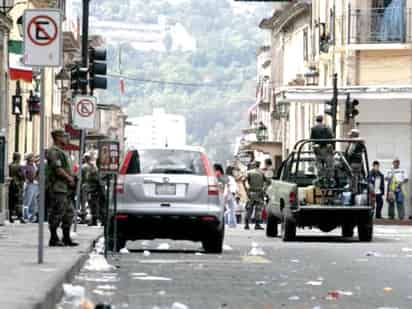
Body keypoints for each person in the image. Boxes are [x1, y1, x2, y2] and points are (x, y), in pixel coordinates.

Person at [47, 129, 77, 246]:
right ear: (58, 137)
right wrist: (69, 178)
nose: (66, 138)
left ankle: (66, 237)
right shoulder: (53, 151)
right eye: (64, 136)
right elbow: (58, 169)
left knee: (69, 213)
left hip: (66, 189)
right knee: (57, 212)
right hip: (58, 187)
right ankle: (54, 238)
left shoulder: (63, 151)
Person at [244, 161, 270, 230]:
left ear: (254, 165)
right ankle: (257, 225)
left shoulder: (249, 172)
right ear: (259, 165)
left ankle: (246, 224)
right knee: (258, 210)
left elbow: (243, 180)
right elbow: (268, 182)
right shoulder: (262, 173)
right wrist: (264, 190)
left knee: (249, 209)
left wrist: (246, 190)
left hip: (251, 192)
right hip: (259, 193)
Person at [310, 114, 334, 187]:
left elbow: (312, 139)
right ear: (322, 120)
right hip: (326, 148)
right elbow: (331, 136)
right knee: (329, 165)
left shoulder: (313, 128)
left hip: (318, 149)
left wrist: (315, 145)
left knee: (319, 164)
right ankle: (329, 179)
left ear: (316, 120)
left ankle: (320, 178)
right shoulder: (327, 127)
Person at [82, 152, 104, 226]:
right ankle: (97, 220)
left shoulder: (93, 169)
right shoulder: (94, 168)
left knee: (93, 205)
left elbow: (95, 180)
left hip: (93, 190)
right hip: (94, 190)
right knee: (94, 205)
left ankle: (96, 220)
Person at [346, 129, 366, 194]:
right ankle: (355, 190)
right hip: (359, 163)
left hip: (354, 163)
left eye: (350, 135)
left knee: (352, 177)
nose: (349, 137)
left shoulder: (354, 142)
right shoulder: (360, 142)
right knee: (356, 177)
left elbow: (349, 153)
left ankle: (353, 192)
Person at [8, 153, 25, 223]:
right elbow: (22, 176)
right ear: (18, 158)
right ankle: (20, 217)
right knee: (19, 201)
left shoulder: (10, 165)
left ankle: (10, 217)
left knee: (11, 201)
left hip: (11, 184)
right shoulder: (19, 166)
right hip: (17, 185)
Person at [23, 153, 39, 222]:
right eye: (33, 157)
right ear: (30, 158)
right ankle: (26, 216)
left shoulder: (34, 165)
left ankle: (32, 216)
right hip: (30, 184)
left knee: (34, 201)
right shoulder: (26, 166)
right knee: (28, 201)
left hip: (35, 184)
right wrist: (29, 180)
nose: (34, 158)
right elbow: (25, 175)